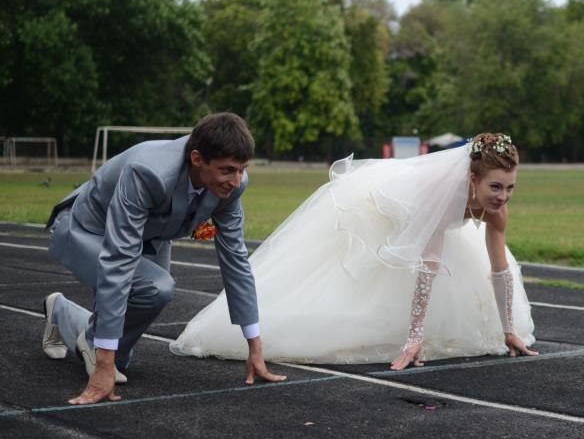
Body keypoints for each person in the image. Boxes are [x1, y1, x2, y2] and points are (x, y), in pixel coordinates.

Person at [171, 132, 538, 369]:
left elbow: (499, 269)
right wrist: (414, 339)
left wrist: (508, 329)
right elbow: (428, 266)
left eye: (510, 188)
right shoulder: (442, 200)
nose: (503, 197)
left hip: (424, 228)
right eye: (496, 187)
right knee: (358, 284)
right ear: (472, 180)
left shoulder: (497, 212)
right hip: (382, 211)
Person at [42, 113, 286, 405]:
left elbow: (236, 261)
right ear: (197, 158)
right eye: (227, 170)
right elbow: (119, 258)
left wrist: (254, 348)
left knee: (127, 346)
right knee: (155, 287)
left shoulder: (233, 185)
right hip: (88, 229)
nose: (236, 180)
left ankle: (64, 314)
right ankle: (96, 345)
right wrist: (103, 363)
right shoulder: (148, 172)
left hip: (150, 234)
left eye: (242, 170)